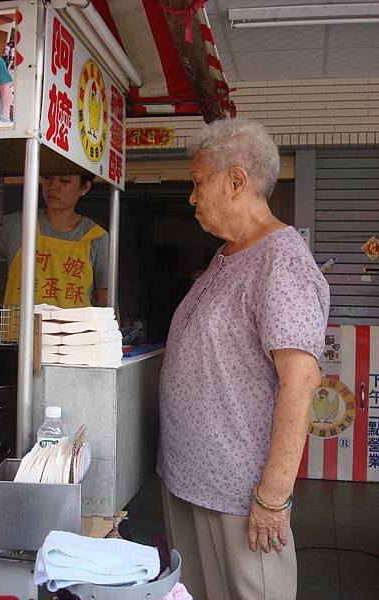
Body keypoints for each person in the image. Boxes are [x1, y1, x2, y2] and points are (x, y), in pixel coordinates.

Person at [157, 117, 330, 600]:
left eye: (197, 182)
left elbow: (301, 380)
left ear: (237, 180)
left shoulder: (282, 260)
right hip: (190, 478)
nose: (191, 197)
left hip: (238, 493)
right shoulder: (228, 254)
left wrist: (273, 499)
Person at [0, 172, 109, 308]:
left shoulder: (96, 237)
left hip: (74, 348)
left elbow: (106, 300)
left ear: (84, 187)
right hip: (18, 346)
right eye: (47, 178)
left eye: (65, 180)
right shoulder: (18, 225)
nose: (53, 186)